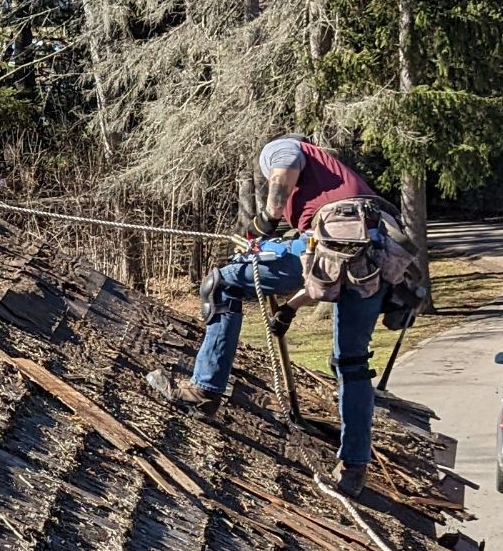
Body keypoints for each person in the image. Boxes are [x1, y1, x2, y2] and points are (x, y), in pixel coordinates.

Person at [147, 135, 401, 497]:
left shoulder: (282, 148)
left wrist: (261, 225)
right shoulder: (342, 185)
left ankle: (204, 390)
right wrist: (289, 309)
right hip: (376, 256)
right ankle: (353, 468)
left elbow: (283, 184)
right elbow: (324, 279)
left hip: (334, 243)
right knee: (352, 362)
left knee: (222, 284)